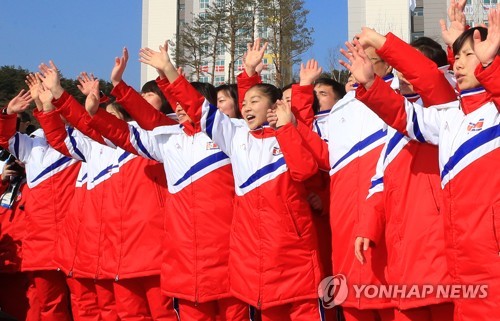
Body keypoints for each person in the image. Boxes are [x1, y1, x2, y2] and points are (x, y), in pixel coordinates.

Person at [341, 6, 500, 320]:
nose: (462, 64)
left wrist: (382, 41)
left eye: (470, 56)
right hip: (460, 263)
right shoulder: (450, 117)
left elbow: (428, 76)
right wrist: (370, 85)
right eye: (458, 57)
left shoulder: (494, 110)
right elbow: (403, 116)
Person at [83, 46, 250, 321]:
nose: (181, 108)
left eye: (187, 102)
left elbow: (196, 108)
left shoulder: (231, 134)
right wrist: (97, 112)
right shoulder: (171, 140)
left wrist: (168, 72)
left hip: (228, 253)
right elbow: (126, 135)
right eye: (178, 104)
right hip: (186, 257)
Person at [37, 61, 176, 321]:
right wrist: (56, 96)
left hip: (154, 244)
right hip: (118, 247)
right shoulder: (105, 143)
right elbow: (74, 130)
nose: (143, 98)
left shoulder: (162, 134)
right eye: (141, 94)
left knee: (162, 313)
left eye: (150, 94)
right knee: (125, 313)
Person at [352, 29, 457, 321]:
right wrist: (368, 226)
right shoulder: (397, 121)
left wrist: (382, 45)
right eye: (401, 68)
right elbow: (380, 181)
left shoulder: (447, 104)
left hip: (438, 247)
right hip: (405, 246)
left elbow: (429, 82)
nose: (405, 74)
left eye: (412, 67)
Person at [0, 90, 80, 321]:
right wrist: (8, 114)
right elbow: (6, 138)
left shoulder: (80, 141)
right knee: (48, 306)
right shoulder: (34, 145)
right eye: (44, 103)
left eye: (53, 104)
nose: (47, 108)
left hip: (74, 239)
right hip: (40, 242)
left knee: (83, 304)